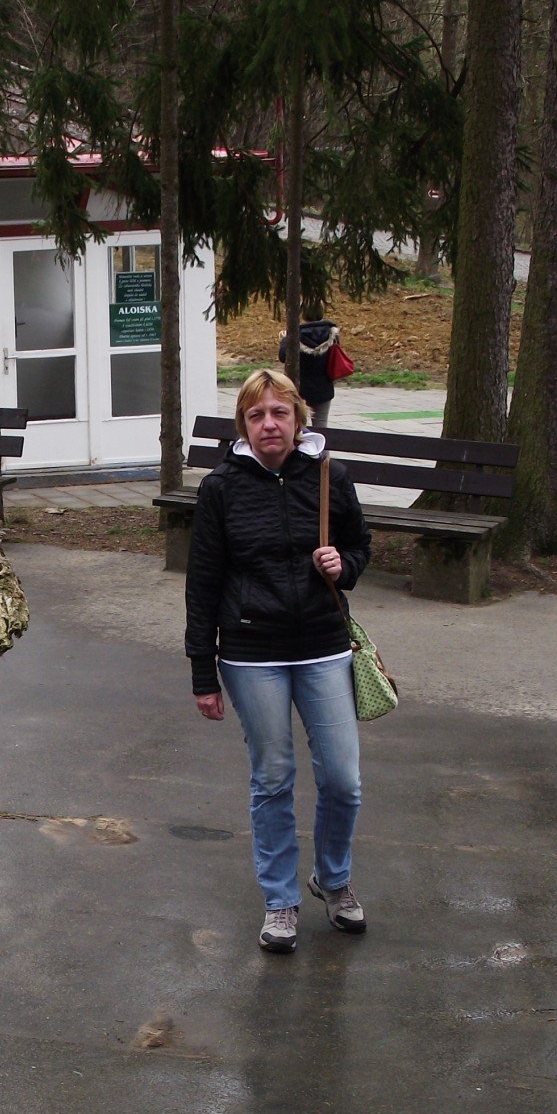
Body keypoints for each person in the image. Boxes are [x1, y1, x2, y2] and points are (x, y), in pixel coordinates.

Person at [185, 368, 372, 954]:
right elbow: (203, 583)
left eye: (279, 413)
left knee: (343, 779)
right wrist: (202, 671)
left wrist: (346, 566)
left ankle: (333, 879)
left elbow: (361, 543)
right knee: (273, 778)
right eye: (257, 415)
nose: (270, 424)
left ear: (299, 419)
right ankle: (280, 900)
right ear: (243, 425)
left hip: (322, 645)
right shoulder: (221, 489)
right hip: (251, 652)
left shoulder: (328, 477)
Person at [278, 319, 341, 429]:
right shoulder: (332, 334)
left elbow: (283, 357)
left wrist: (284, 340)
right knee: (321, 425)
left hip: (299, 389)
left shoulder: (294, 334)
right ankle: (320, 445)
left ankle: (302, 446)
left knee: (299, 426)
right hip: (324, 388)